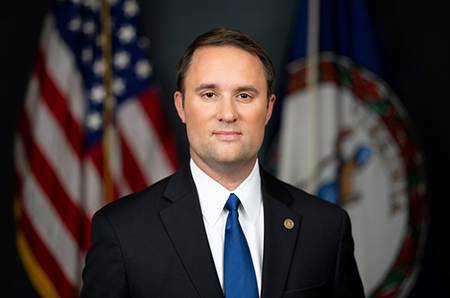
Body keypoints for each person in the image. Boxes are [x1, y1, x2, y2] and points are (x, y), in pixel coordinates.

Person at [80, 28, 365, 298]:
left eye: (244, 95)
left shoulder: (326, 227)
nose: (227, 114)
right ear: (181, 106)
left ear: (268, 108)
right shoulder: (122, 231)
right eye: (209, 95)